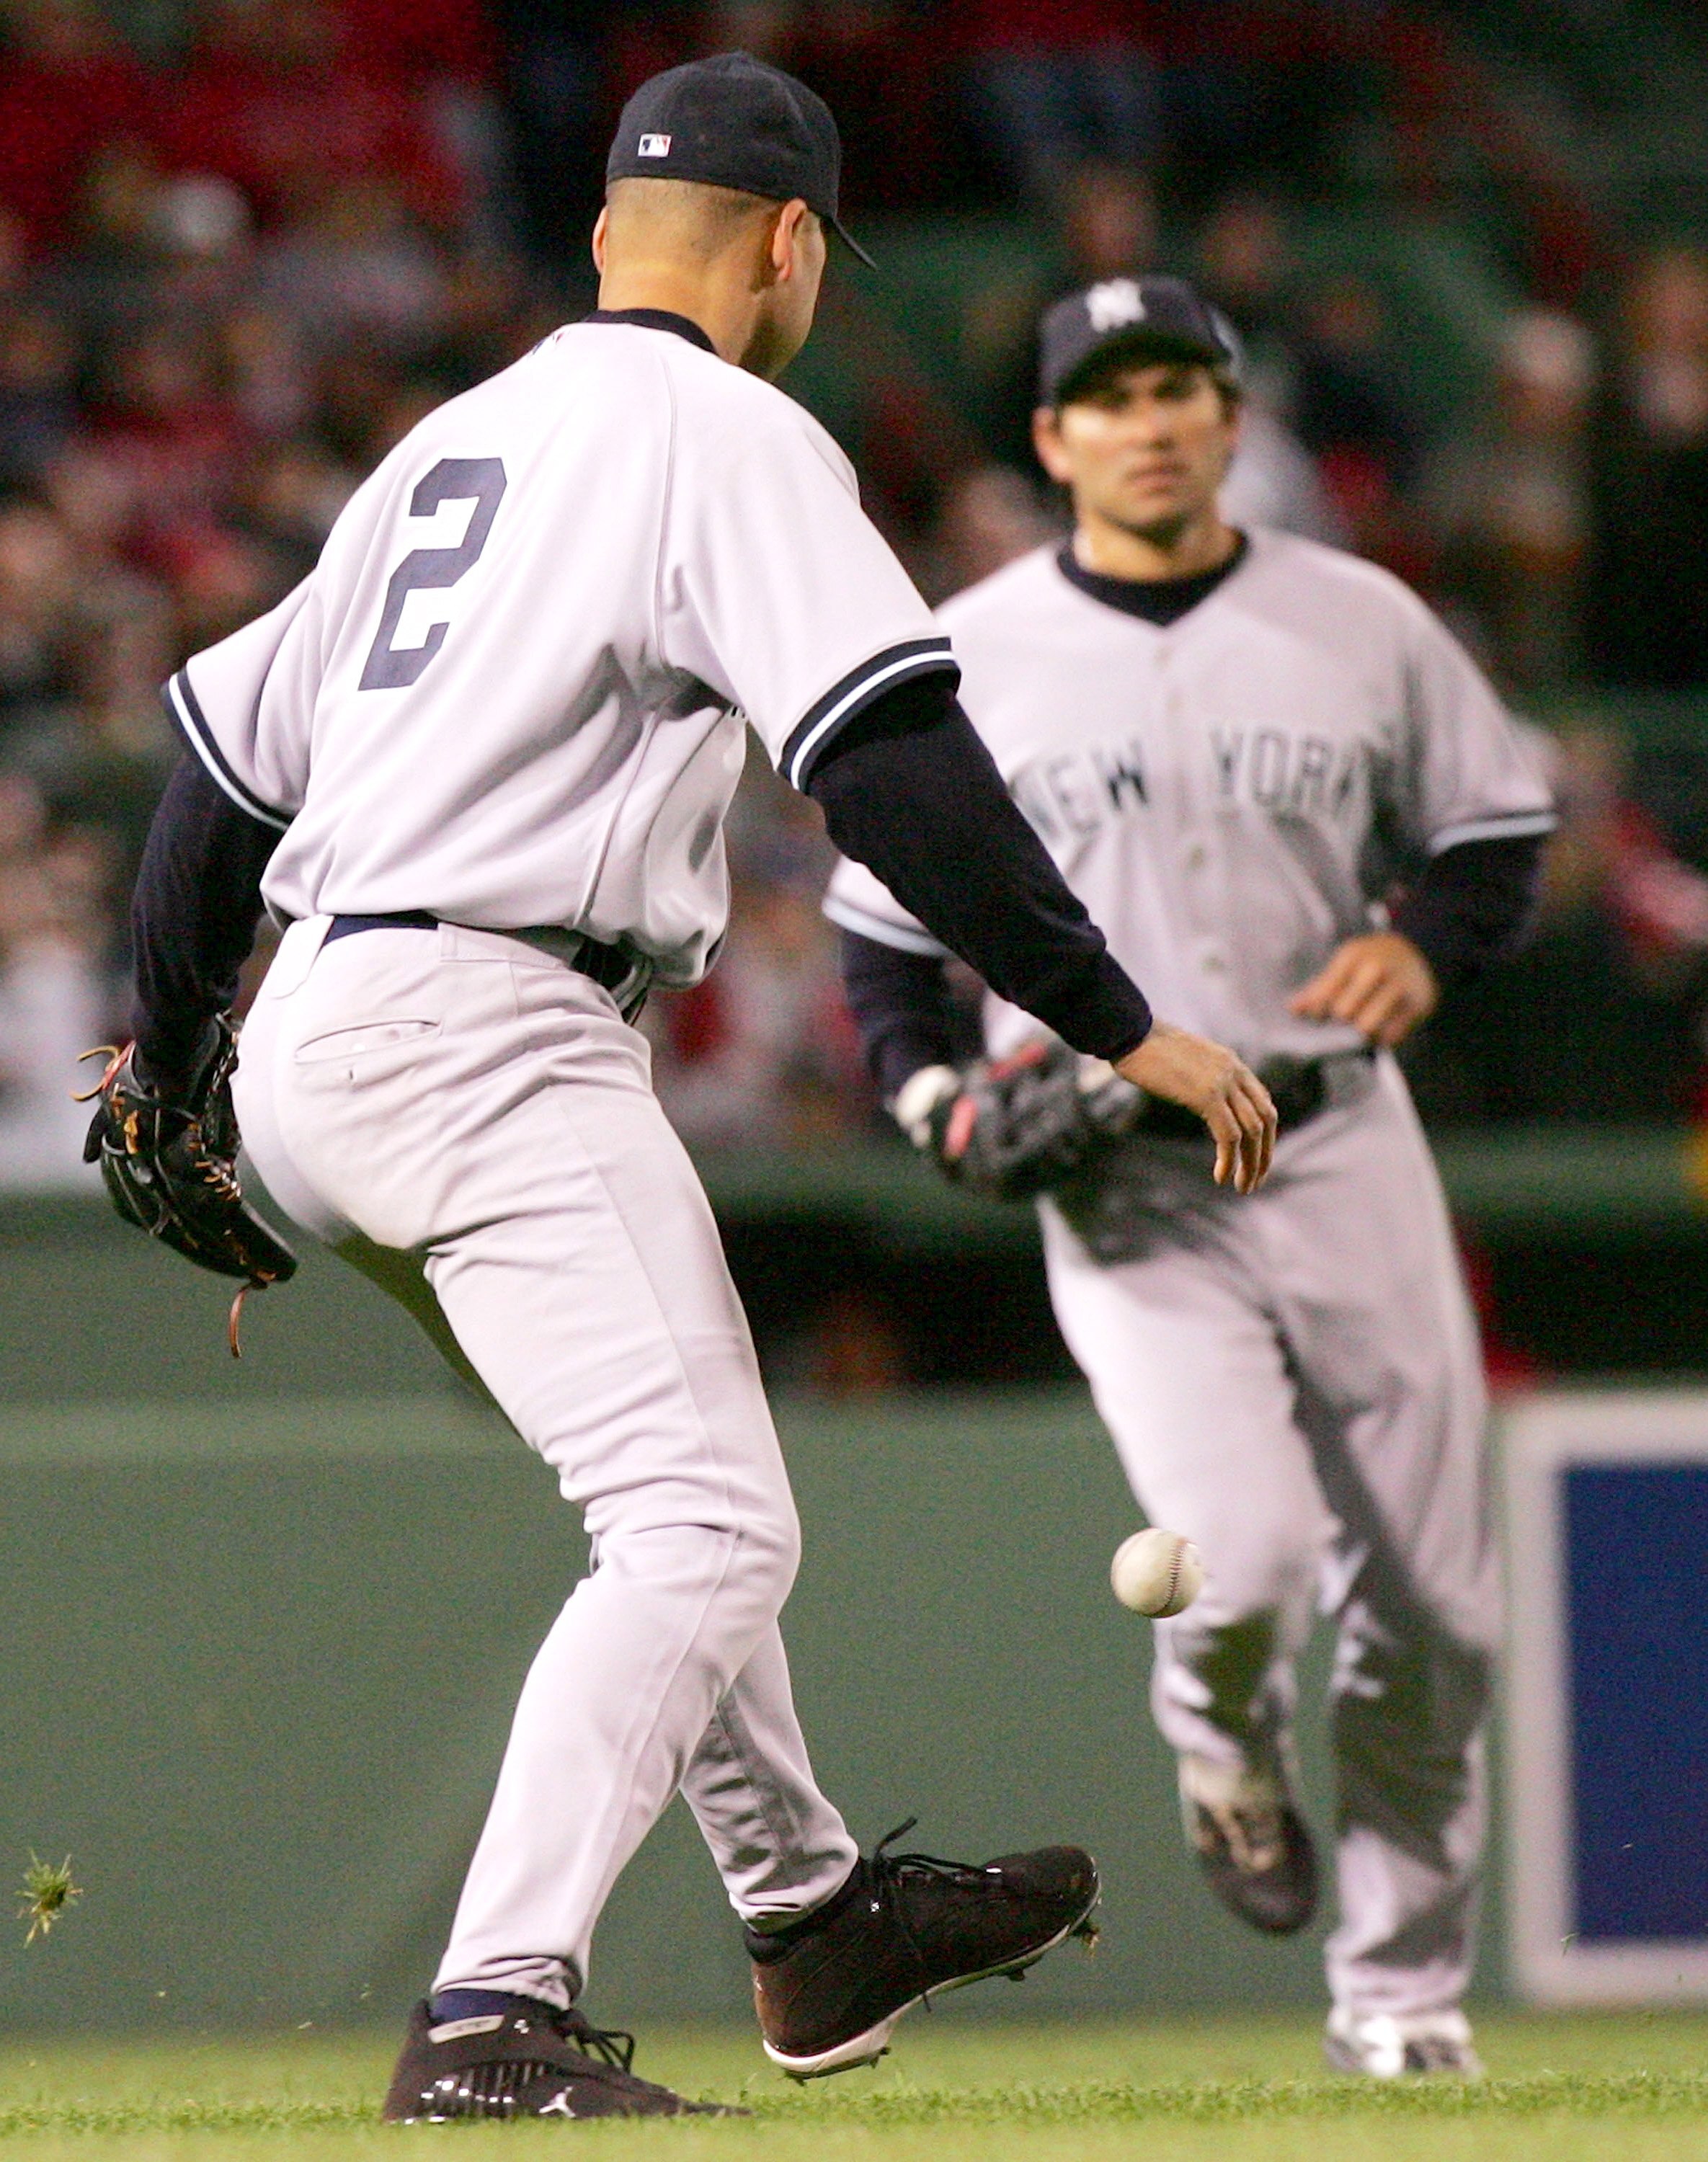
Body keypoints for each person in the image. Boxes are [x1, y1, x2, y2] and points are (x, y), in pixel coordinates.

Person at [107, 67, 1278, 2122]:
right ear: (792, 244)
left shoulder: (445, 444)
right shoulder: (728, 430)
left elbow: (218, 767)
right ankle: (491, 2008)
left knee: (672, 1491)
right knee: (704, 1521)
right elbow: (895, 760)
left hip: (326, 1030)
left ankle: (810, 1912)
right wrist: (1112, 1020)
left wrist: (179, 1055)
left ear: (601, 241)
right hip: (489, 1022)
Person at [826, 274, 1555, 2079]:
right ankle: (1220, 1741)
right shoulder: (969, 648)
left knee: (1439, 1607)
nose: (1153, 419)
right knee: (1241, 1567)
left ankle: (1400, 2003)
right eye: (1112, 394)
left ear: (1233, 420)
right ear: (1055, 438)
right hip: (1127, 1180)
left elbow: (1497, 825)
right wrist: (934, 1112)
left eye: (1185, 387)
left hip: (1336, 1138)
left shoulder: (1360, 618)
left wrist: (1434, 945)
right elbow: (883, 952)